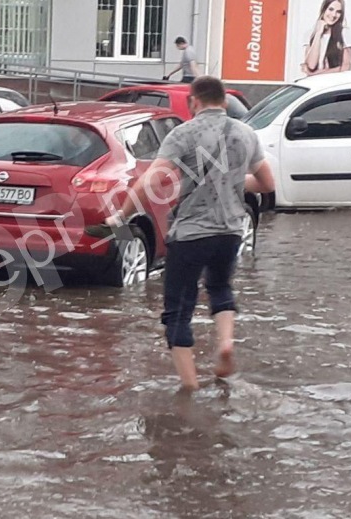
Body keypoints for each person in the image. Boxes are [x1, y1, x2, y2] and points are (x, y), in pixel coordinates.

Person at [104, 76, 276, 391]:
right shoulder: (246, 133)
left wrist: (121, 216)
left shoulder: (182, 134)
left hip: (190, 234)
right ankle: (225, 343)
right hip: (230, 232)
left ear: (193, 102)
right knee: (221, 288)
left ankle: (189, 387)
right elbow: (267, 185)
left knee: (177, 313)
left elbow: (150, 184)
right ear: (224, 101)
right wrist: (233, 184)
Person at [301, 0, 351, 76]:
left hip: (333, 84)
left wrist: (315, 74)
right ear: (323, 9)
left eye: (338, 12)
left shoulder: (344, 33)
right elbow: (311, 65)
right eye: (331, 9)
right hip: (313, 84)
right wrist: (318, 33)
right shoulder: (310, 34)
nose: (334, 15)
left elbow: (345, 68)